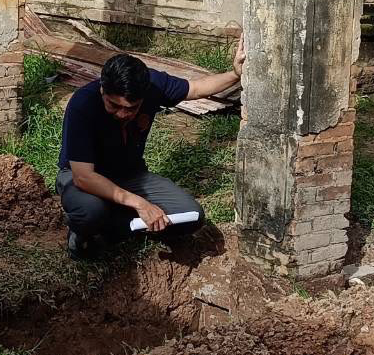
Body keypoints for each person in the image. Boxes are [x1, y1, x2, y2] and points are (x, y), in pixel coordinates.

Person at [58, 44, 244, 259]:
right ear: (102, 90)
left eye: (131, 108)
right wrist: (141, 204)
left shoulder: (153, 85)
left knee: (192, 216)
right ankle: (82, 235)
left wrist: (234, 74)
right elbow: (83, 177)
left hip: (130, 175)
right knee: (90, 212)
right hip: (84, 177)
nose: (122, 114)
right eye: (114, 105)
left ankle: (115, 226)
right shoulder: (83, 104)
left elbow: (194, 89)